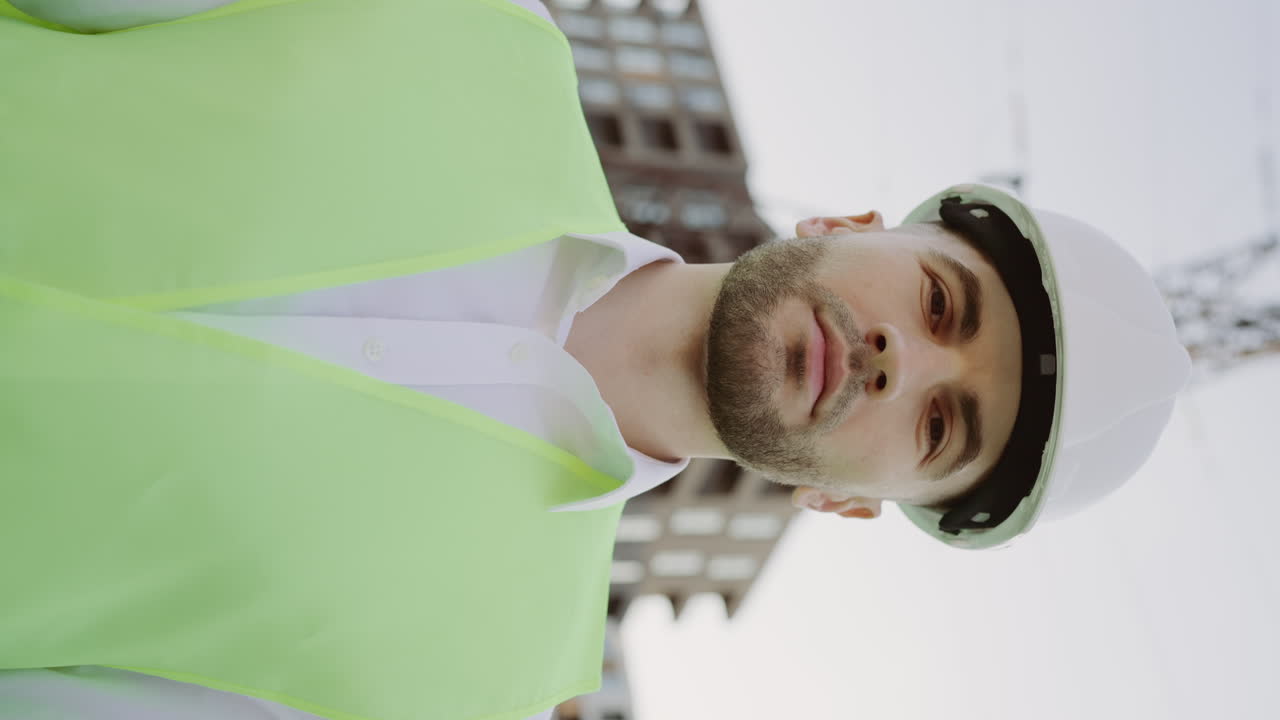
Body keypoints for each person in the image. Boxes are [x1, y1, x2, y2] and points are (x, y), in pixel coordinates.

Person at [0, 1, 1191, 719]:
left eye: (940, 427)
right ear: (846, 225)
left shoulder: (479, 693)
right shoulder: (474, 31)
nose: (899, 364)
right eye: (941, 303)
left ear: (844, 501)